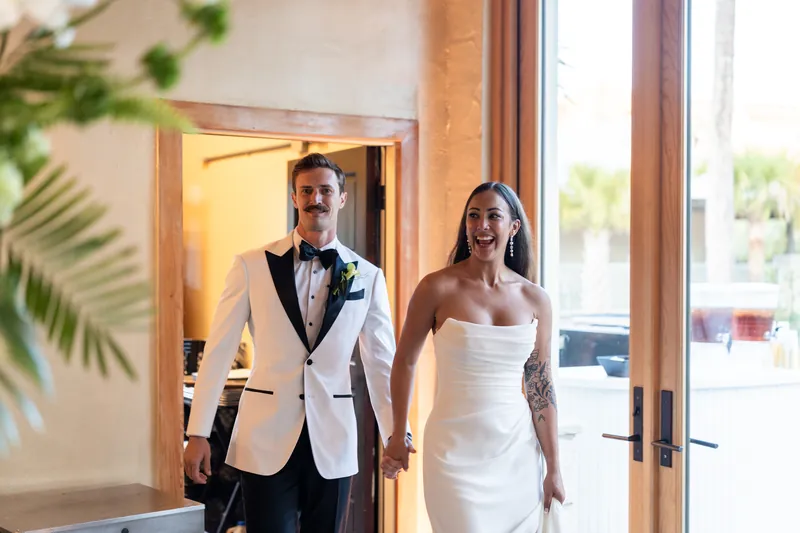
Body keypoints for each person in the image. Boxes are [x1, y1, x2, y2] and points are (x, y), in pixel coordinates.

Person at [184, 153, 412, 533]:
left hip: (333, 437)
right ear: (294, 197)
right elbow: (219, 351)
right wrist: (198, 432)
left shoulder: (367, 276)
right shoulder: (251, 265)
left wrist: (396, 432)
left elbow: (381, 362)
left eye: (325, 190)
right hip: (265, 438)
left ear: (342, 198)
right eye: (306, 190)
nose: (315, 198)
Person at [381, 182, 565, 532]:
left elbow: (540, 384)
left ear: (513, 227)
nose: (482, 226)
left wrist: (554, 467)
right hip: (453, 452)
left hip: (517, 452)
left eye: (493, 216)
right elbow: (404, 361)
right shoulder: (436, 287)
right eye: (474, 216)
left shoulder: (536, 299)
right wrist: (398, 434)